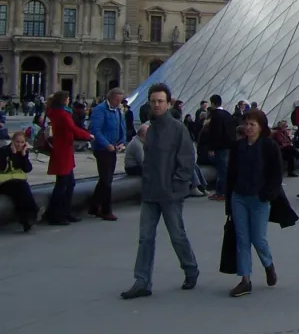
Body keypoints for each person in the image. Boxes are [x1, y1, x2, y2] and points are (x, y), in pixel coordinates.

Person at [121, 83, 199, 299]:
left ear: (168, 103)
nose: (156, 105)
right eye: (153, 101)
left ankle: (191, 269)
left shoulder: (178, 129)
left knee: (177, 235)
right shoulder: (151, 129)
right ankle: (142, 281)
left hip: (171, 193)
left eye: (160, 101)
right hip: (150, 192)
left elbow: (187, 160)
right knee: (145, 238)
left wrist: (176, 184)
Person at [224, 109, 282, 297]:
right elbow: (231, 175)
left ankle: (268, 264)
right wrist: (229, 201)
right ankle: (245, 280)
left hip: (259, 198)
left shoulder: (269, 146)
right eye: (246, 124)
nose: (248, 127)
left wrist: (267, 194)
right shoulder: (238, 146)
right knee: (242, 239)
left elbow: (276, 175)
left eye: (252, 124)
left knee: (258, 238)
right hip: (239, 197)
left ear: (261, 126)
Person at [44, 91, 94, 226]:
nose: (68, 100)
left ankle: (64, 212)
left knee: (68, 183)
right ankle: (56, 214)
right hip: (63, 151)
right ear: (64, 100)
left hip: (62, 150)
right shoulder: (63, 114)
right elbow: (73, 129)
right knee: (62, 185)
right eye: (67, 98)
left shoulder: (54, 112)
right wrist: (88, 136)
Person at [88, 87, 127, 221]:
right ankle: (106, 210)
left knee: (106, 179)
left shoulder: (118, 110)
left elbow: (122, 127)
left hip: (113, 148)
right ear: (110, 98)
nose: (119, 102)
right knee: (106, 180)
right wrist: (107, 145)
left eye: (120, 99)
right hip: (102, 149)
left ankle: (94, 205)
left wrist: (122, 141)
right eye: (117, 99)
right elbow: (95, 130)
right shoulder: (100, 110)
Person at [0, 131, 39, 231]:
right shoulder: (4, 151)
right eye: (17, 142)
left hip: (17, 183)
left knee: (21, 192)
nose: (19, 145)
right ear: (12, 141)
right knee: (20, 189)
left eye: (22, 142)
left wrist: (24, 155)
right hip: (3, 183)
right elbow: (3, 167)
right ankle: (33, 212)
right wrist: (12, 154)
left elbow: (27, 169)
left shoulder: (22, 152)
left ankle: (26, 221)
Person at [207, 94, 236, 202]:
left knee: (222, 171)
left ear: (213, 103)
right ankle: (220, 192)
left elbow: (215, 133)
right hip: (229, 146)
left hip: (220, 147)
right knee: (223, 170)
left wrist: (211, 148)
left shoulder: (216, 116)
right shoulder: (227, 114)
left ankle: (222, 192)